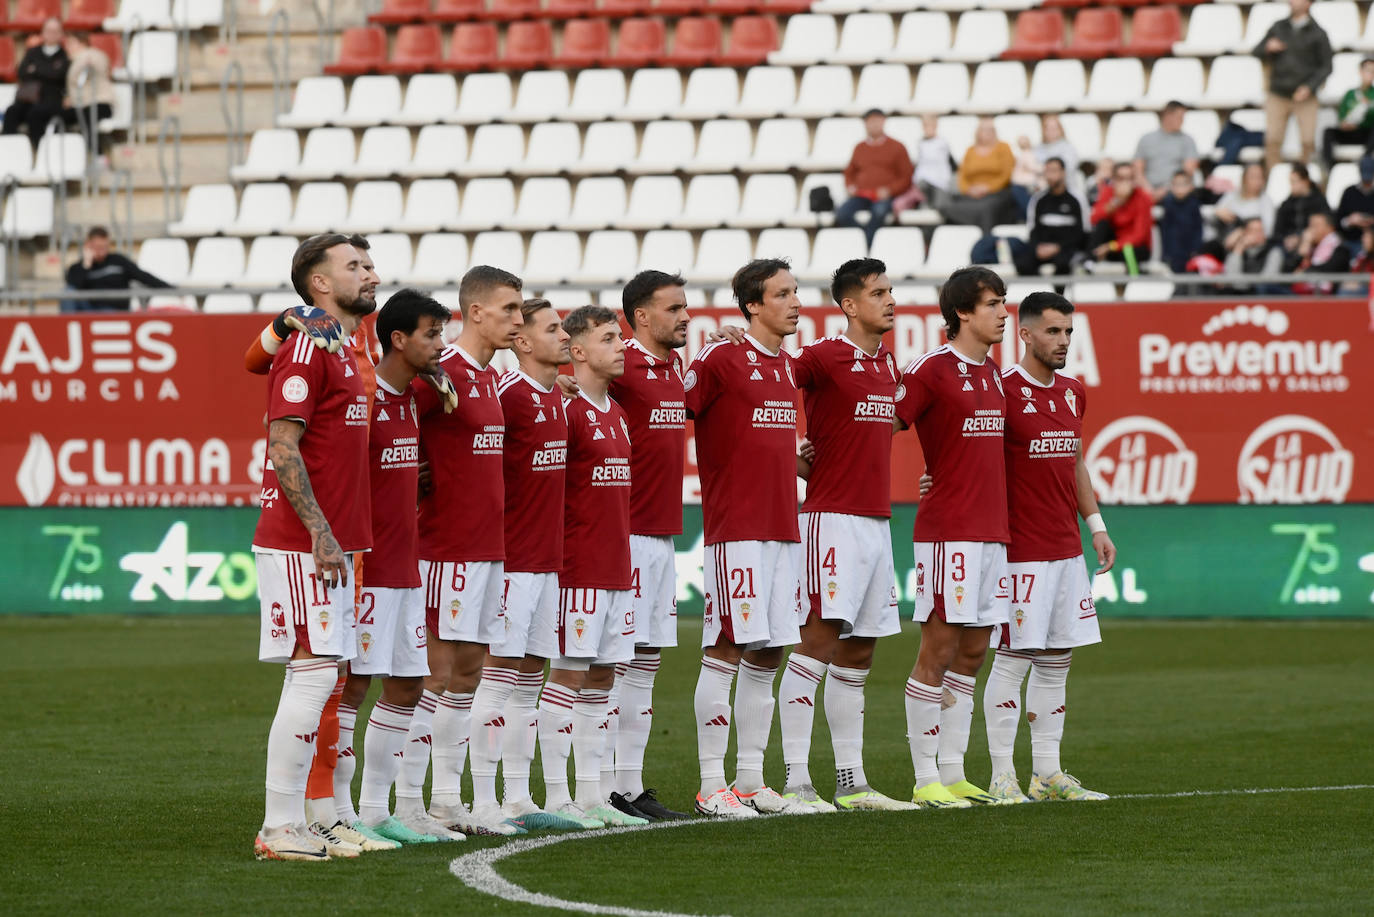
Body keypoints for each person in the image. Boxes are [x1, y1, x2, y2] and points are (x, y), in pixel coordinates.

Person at [251, 233, 373, 862]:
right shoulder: (307, 344)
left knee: (327, 677)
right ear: (319, 284)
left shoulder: (349, 346)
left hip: (335, 540)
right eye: (353, 265)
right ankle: (278, 827)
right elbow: (282, 445)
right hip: (304, 541)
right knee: (314, 673)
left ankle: (308, 820)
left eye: (368, 262)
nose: (369, 272)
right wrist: (321, 534)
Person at [777, 259, 913, 813]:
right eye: (878, 293)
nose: (890, 301)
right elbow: (759, 396)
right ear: (850, 306)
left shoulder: (888, 366)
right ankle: (794, 780)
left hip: (877, 523)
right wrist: (789, 456)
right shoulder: (822, 357)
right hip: (830, 520)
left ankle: (852, 783)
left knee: (859, 652)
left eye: (891, 291)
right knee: (816, 644)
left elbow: (898, 425)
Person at [403, 265, 526, 839]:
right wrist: (413, 474)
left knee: (470, 675)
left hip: (488, 549)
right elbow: (395, 428)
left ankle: (447, 800)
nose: (518, 320)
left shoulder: (486, 377)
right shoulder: (438, 372)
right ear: (476, 312)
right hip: (446, 548)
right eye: (508, 310)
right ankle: (405, 802)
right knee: (436, 673)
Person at [685, 258, 810, 818]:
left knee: (770, 652)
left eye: (796, 292)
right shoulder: (721, 355)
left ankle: (751, 779)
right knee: (728, 648)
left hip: (785, 527)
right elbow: (672, 407)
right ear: (752, 304)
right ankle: (711, 784)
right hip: (738, 529)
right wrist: (705, 344)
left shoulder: (786, 367)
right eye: (782, 294)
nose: (795, 302)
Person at [980, 292, 1116, 804]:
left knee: (1058, 659)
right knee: (1014, 660)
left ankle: (1047, 774)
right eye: (1053, 332)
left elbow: (1075, 461)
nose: (1062, 341)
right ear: (1026, 333)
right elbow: (971, 450)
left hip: (1065, 548)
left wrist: (1095, 525)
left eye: (1068, 333)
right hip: (1019, 551)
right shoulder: (1001, 389)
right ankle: (1002, 776)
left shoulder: (1073, 392)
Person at [893, 265, 1010, 809]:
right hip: (949, 534)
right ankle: (923, 779)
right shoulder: (931, 370)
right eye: (992, 304)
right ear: (963, 311)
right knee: (938, 650)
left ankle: (954, 771)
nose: (1003, 313)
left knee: (974, 651)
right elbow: (879, 423)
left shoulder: (992, 375)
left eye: (1004, 303)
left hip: (993, 533)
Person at [350, 289, 454, 846]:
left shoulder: (416, 397)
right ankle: (339, 809)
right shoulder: (363, 397)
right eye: (431, 335)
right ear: (398, 338)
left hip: (407, 567)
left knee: (410, 683)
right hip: (367, 570)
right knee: (353, 685)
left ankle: (377, 809)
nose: (441, 346)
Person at [487, 299, 594, 832]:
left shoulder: (556, 398)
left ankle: (516, 795)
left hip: (547, 564)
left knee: (529, 682)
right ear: (523, 342)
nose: (564, 337)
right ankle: (477, 796)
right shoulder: (507, 396)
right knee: (494, 681)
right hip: (510, 563)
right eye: (553, 329)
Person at [543, 304, 647, 829]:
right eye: (609, 339)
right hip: (576, 568)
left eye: (620, 337)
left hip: (616, 568)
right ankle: (558, 797)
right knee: (567, 677)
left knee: (604, 680)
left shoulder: (618, 414)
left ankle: (593, 796)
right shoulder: (565, 410)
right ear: (578, 351)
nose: (621, 346)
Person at [603, 271, 697, 822]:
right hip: (626, 535)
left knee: (645, 665)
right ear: (641, 316)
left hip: (662, 536)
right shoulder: (621, 365)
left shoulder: (672, 368)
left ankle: (630, 787)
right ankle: (603, 787)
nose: (685, 316)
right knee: (613, 665)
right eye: (674, 308)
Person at [1254, 0, 1332, 170]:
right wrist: (1268, 47)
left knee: (1307, 141)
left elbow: (1326, 66)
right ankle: (1273, 179)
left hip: (1305, 96)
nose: (1291, 1)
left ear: (1308, 3)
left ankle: (1304, 180)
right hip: (1278, 93)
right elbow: (1257, 50)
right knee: (1272, 140)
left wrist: (1309, 87)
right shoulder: (1278, 27)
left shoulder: (1318, 33)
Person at [835, 109, 914, 249]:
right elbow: (849, 172)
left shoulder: (897, 147)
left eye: (877, 121)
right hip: (862, 195)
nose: (874, 125)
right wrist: (850, 186)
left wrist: (890, 191)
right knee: (842, 212)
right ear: (865, 124)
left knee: (879, 212)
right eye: (870, 122)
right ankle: (864, 239)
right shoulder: (859, 148)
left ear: (883, 122)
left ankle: (868, 247)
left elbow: (906, 177)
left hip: (884, 196)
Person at [63, 226, 172, 312]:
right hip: (88, 310)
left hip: (113, 309)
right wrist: (86, 265)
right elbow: (73, 286)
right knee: (68, 292)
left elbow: (143, 276)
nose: (102, 251)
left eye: (105, 247)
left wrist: (173, 290)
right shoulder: (77, 268)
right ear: (88, 245)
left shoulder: (118, 261)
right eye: (98, 247)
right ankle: (65, 328)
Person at [940, 117, 1018, 234]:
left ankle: (985, 239)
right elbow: (962, 176)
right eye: (983, 129)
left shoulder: (1003, 147)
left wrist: (988, 188)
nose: (986, 133)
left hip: (997, 194)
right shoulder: (970, 151)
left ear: (995, 132)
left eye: (990, 130)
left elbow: (1006, 174)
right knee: (947, 207)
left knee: (986, 210)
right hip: (971, 195)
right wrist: (969, 190)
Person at [2, 18, 68, 150]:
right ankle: (8, 152)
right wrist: (47, 70)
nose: (51, 34)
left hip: (50, 100)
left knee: (35, 114)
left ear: (61, 34)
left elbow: (58, 75)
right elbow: (21, 72)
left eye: (55, 31)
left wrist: (35, 69)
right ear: (42, 33)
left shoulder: (64, 55)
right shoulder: (32, 52)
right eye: (48, 30)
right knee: (11, 112)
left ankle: (40, 152)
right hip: (28, 98)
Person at [1088, 161, 1154, 267]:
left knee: (1128, 251)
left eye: (1129, 178)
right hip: (1111, 245)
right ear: (1114, 179)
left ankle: (1134, 278)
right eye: (1121, 178)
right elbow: (1095, 219)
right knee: (1102, 224)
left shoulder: (1142, 197)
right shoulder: (1108, 192)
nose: (1125, 183)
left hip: (1132, 247)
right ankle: (1089, 263)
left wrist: (1111, 246)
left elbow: (1139, 235)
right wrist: (1117, 201)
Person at [1011, 114, 1082, 211]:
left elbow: (1065, 171)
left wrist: (1047, 175)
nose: (1051, 131)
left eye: (1054, 128)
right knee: (1017, 188)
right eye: (1048, 128)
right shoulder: (1038, 148)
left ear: (1061, 129)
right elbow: (1032, 167)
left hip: (1061, 188)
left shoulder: (1069, 148)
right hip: (1039, 187)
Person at [1133, 101, 1200, 201]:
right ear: (1167, 115)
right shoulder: (1146, 139)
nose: (1182, 121)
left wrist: (1166, 189)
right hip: (1147, 190)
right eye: (1179, 117)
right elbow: (1137, 170)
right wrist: (1148, 190)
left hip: (1175, 190)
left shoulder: (1187, 141)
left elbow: (1188, 171)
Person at [62, 32, 113, 156]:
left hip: (99, 103)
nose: (68, 47)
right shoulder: (73, 61)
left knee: (86, 118)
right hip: (81, 105)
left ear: (82, 43)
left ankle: (98, 155)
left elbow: (99, 64)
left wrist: (89, 64)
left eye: (71, 43)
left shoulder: (91, 55)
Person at [1323, 58, 1374, 166]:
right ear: (1360, 72)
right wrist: (1345, 124)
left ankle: (1365, 161)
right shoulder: (1350, 94)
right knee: (1328, 131)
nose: (1370, 74)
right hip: (1350, 132)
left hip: (1367, 134)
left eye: (1373, 71)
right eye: (1368, 70)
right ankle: (1329, 166)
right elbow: (1342, 117)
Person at [1272, 163, 1331, 256]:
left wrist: (1300, 237)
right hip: (1287, 247)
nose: (1292, 186)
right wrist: (1286, 239)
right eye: (1290, 182)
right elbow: (1277, 231)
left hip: (1313, 245)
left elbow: (1325, 227)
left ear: (1305, 181)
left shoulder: (1319, 202)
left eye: (1294, 182)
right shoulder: (1286, 204)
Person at [1288, 211, 1351, 292]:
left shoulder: (1341, 248)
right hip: (1299, 292)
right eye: (1310, 225)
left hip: (1326, 296)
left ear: (1330, 228)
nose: (1311, 229)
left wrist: (1305, 271)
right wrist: (1304, 246)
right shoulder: (1308, 246)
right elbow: (1288, 271)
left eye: (1316, 225)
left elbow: (1330, 269)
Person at [1212, 162, 1275, 241]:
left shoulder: (1266, 201)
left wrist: (1242, 232)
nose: (1257, 181)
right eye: (1253, 177)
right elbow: (1216, 210)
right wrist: (1219, 212)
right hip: (1225, 235)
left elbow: (1268, 231)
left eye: (1260, 177)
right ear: (1244, 178)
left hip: (1248, 241)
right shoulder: (1232, 195)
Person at [1158, 171, 1204, 273]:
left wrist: (1196, 249)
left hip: (1190, 248)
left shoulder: (1194, 203)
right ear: (1171, 186)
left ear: (1191, 186)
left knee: (1190, 275)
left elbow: (1198, 228)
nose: (1180, 188)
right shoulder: (1168, 202)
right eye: (1177, 184)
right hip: (1173, 248)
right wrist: (1165, 253)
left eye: (1183, 184)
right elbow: (1165, 229)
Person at [1222, 217, 1284, 292]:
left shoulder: (1274, 251)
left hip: (1263, 296)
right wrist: (1239, 248)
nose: (1258, 234)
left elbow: (1268, 280)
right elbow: (1231, 277)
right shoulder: (1236, 251)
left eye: (1261, 230)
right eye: (1253, 231)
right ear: (1245, 233)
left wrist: (1245, 286)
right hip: (1239, 294)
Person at [1336, 156, 1374, 244]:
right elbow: (1338, 222)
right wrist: (1350, 221)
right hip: (1351, 241)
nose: (1367, 182)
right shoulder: (1349, 193)